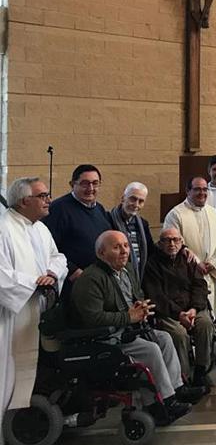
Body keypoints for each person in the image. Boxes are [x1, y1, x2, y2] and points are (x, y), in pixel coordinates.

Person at [70, 231, 205, 425]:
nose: (124, 251)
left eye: (125, 246)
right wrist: (129, 316)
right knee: (150, 349)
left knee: (164, 338)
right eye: (116, 247)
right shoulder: (91, 278)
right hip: (105, 337)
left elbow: (136, 295)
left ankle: (177, 388)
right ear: (101, 253)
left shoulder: (126, 270)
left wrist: (141, 306)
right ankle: (165, 402)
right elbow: (92, 318)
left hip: (128, 329)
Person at [0, 177, 66, 421]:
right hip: (11, 316)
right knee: (7, 374)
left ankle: (28, 422)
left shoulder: (39, 227)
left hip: (38, 310)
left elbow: (57, 257)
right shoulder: (4, 227)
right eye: (43, 196)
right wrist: (34, 283)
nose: (49, 200)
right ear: (24, 200)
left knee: (38, 368)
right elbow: (2, 276)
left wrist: (51, 274)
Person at [143, 228, 216, 388]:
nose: (171, 244)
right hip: (168, 312)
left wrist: (194, 309)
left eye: (176, 240)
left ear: (182, 242)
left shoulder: (188, 260)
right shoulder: (152, 264)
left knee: (205, 324)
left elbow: (200, 285)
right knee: (179, 333)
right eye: (167, 240)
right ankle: (183, 377)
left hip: (192, 309)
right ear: (160, 243)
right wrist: (179, 314)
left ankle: (201, 370)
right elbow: (156, 296)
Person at [163, 177, 216, 314]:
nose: (202, 193)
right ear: (188, 191)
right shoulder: (175, 214)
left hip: (209, 270)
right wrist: (197, 263)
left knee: (212, 313)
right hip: (187, 273)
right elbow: (172, 244)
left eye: (205, 189)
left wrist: (214, 261)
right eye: (197, 189)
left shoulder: (213, 212)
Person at [43, 164, 113, 296]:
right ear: (72, 184)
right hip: (74, 284)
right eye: (85, 184)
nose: (91, 188)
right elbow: (47, 247)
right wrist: (72, 271)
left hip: (99, 282)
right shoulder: (58, 209)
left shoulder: (100, 209)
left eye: (95, 183)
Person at [108, 182, 153, 282]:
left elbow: (151, 251)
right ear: (123, 198)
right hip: (116, 278)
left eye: (141, 201)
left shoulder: (143, 224)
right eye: (133, 199)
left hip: (139, 277)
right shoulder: (107, 220)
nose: (136, 204)